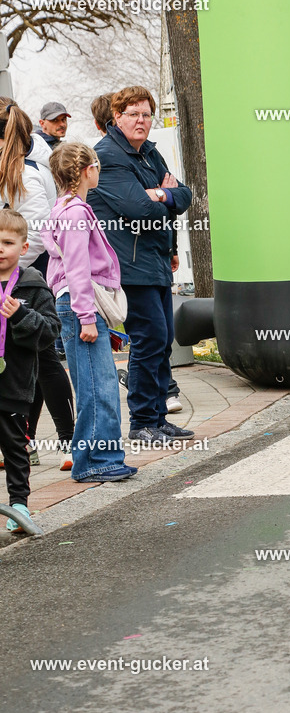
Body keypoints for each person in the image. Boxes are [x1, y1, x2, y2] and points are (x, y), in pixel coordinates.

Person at [88, 86, 194, 443]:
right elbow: (138, 209)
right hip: (129, 266)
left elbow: (184, 195)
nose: (141, 121)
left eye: (146, 114)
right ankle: (142, 422)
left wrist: (162, 194)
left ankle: (158, 418)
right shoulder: (109, 156)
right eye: (132, 114)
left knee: (163, 341)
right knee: (149, 340)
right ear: (116, 118)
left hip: (156, 260)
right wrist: (161, 198)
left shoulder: (150, 154)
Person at [41, 143, 138, 482]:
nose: (99, 170)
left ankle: (98, 457)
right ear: (86, 170)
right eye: (96, 165)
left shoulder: (62, 209)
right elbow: (78, 269)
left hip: (76, 304)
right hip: (81, 305)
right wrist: (86, 318)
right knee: (100, 388)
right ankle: (98, 460)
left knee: (94, 385)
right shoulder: (76, 213)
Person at [0, 98, 75, 468]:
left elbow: (42, 236)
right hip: (15, 274)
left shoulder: (26, 173)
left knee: (44, 359)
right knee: (26, 359)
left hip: (30, 277)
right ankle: (24, 440)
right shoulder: (12, 168)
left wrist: (9, 273)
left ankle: (70, 443)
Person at [0, 209, 60, 533]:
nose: (0, 248)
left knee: (14, 446)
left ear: (23, 248)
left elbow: (51, 331)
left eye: (7, 242)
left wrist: (22, 317)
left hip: (16, 383)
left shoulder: (33, 286)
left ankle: (19, 504)